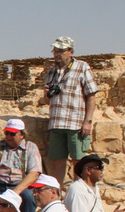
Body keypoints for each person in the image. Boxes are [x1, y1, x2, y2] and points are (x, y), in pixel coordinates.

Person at [41, 36, 98, 185]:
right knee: (57, 162)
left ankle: (78, 194)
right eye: (55, 51)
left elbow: (91, 96)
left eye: (61, 51)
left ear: (71, 52)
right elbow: (47, 101)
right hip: (56, 123)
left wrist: (88, 121)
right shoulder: (52, 71)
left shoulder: (82, 67)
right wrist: (46, 93)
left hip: (75, 124)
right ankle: (57, 194)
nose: (57, 54)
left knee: (79, 163)